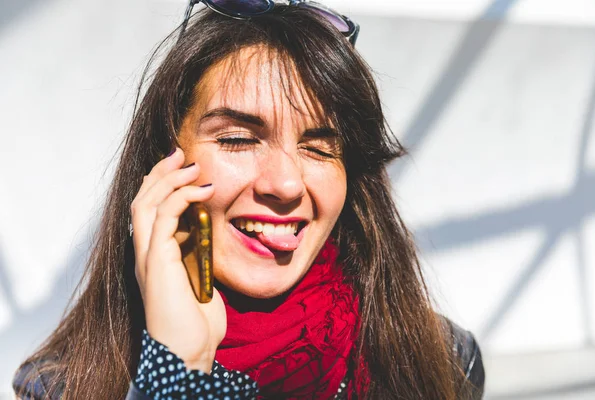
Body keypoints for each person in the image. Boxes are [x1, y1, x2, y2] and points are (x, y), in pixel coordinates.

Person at [13, 1, 485, 399]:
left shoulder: (443, 364)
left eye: (320, 148)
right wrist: (176, 366)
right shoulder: (57, 386)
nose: (285, 185)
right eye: (238, 138)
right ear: (163, 164)